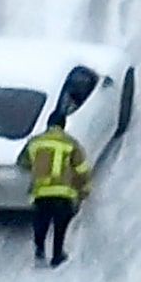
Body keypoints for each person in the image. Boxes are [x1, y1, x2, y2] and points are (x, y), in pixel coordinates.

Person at [19, 109, 92, 266]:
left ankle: (39, 248)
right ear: (63, 125)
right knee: (60, 225)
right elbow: (81, 169)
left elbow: (23, 162)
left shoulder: (35, 141)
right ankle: (57, 255)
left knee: (41, 221)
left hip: (40, 192)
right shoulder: (71, 143)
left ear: (48, 124)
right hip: (63, 193)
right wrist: (84, 188)